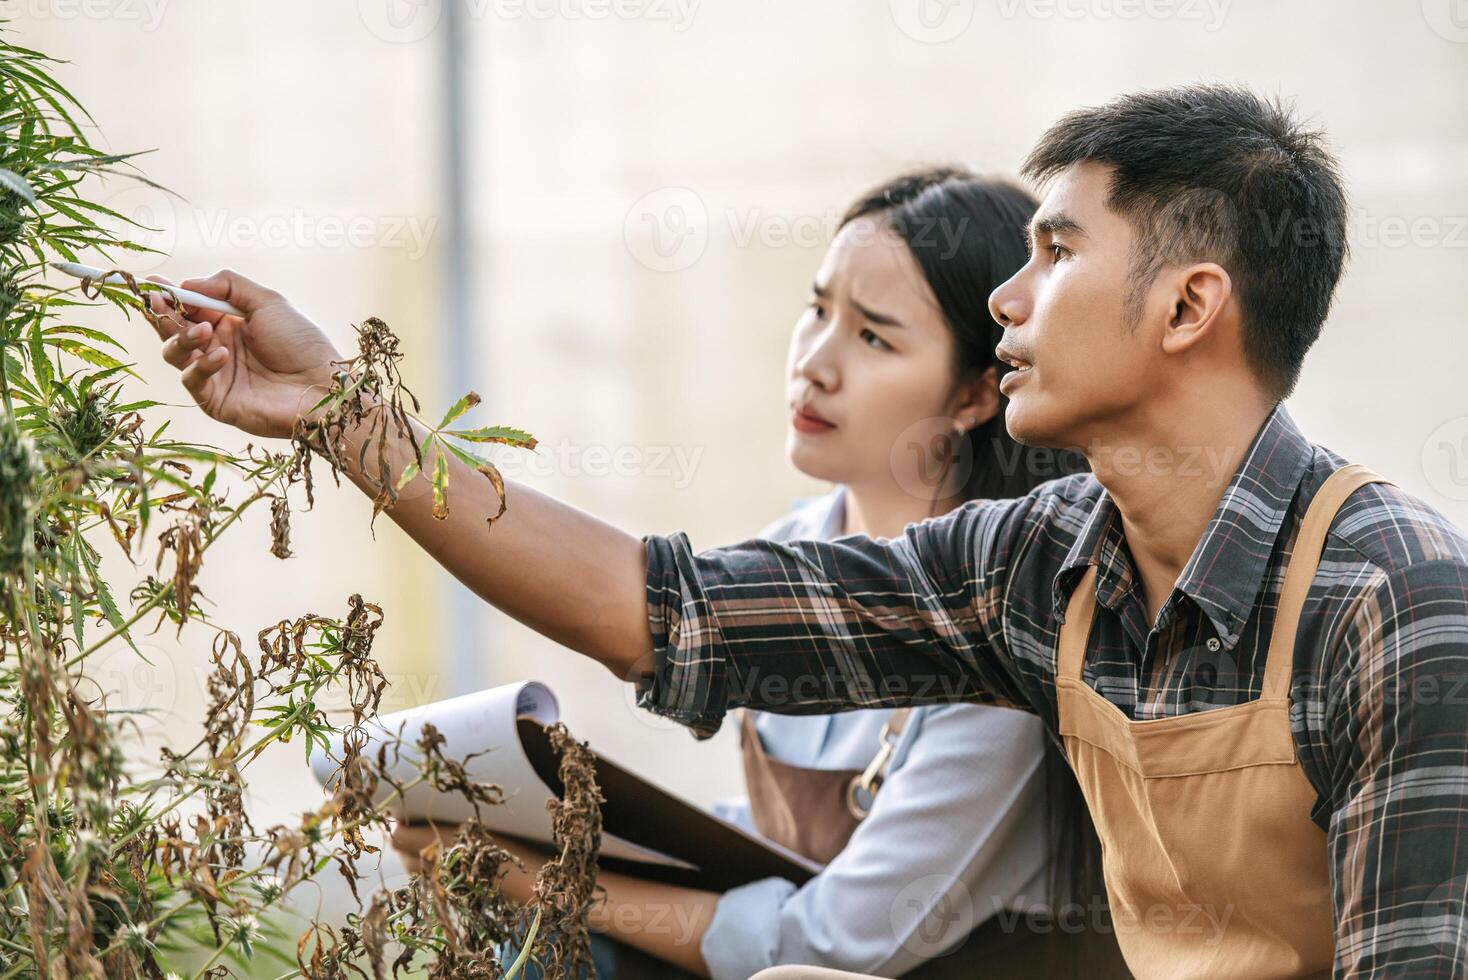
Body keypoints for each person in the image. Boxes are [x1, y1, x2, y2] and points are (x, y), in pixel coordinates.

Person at [141, 83, 1468, 978]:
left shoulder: (1393, 598)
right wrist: (346, 418)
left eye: (1056, 253)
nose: (1009, 298)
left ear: (1187, 308)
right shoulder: (1039, 561)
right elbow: (665, 611)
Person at [390, 168, 1123, 978]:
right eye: (817, 310)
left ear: (978, 394)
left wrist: (537, 877)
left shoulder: (1003, 613)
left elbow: (825, 942)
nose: (815, 361)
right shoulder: (797, 547)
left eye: (873, 336)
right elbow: (767, 848)